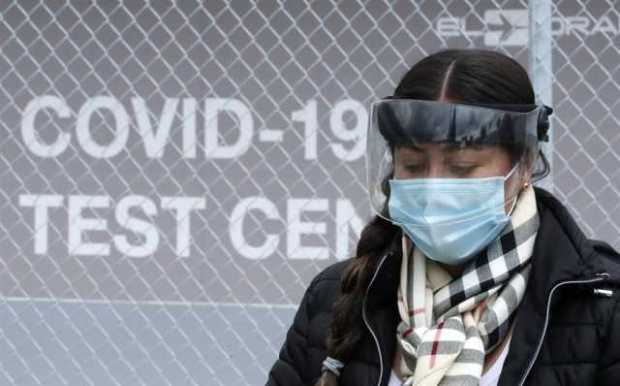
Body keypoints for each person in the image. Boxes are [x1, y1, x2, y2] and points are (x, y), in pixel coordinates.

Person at [265, 49, 620, 386]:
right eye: (413, 165)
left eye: (462, 167)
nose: (433, 187)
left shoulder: (600, 303)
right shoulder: (337, 296)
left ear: (524, 163)